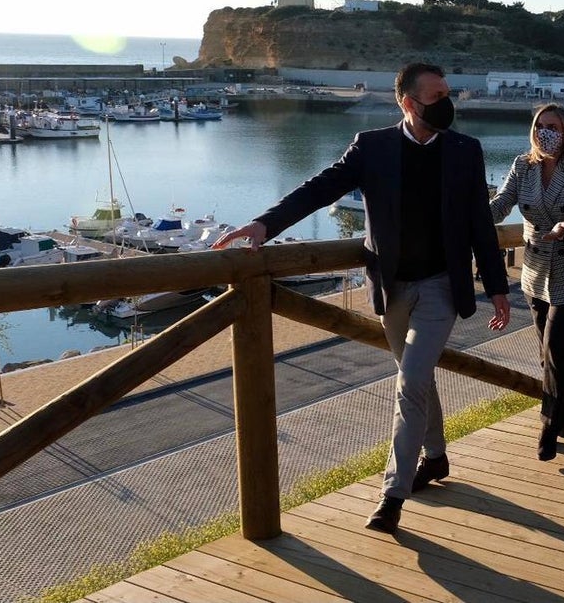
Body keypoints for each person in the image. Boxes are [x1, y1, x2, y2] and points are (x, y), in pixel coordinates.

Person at [212, 62, 511, 534]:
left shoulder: (465, 150)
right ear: (408, 103)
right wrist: (266, 224)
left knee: (410, 381)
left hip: (440, 287)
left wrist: (497, 288)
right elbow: (320, 188)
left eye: (448, 92)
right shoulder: (372, 147)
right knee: (416, 377)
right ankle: (435, 456)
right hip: (391, 288)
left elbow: (478, 222)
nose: (448, 102)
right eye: (437, 95)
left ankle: (393, 493)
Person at [490, 104, 564, 460]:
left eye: (553, 127)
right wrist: (470, 212)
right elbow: (502, 202)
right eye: (540, 126)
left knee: (556, 342)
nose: (545, 132)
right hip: (535, 269)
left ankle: (549, 423)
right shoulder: (523, 165)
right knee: (547, 351)